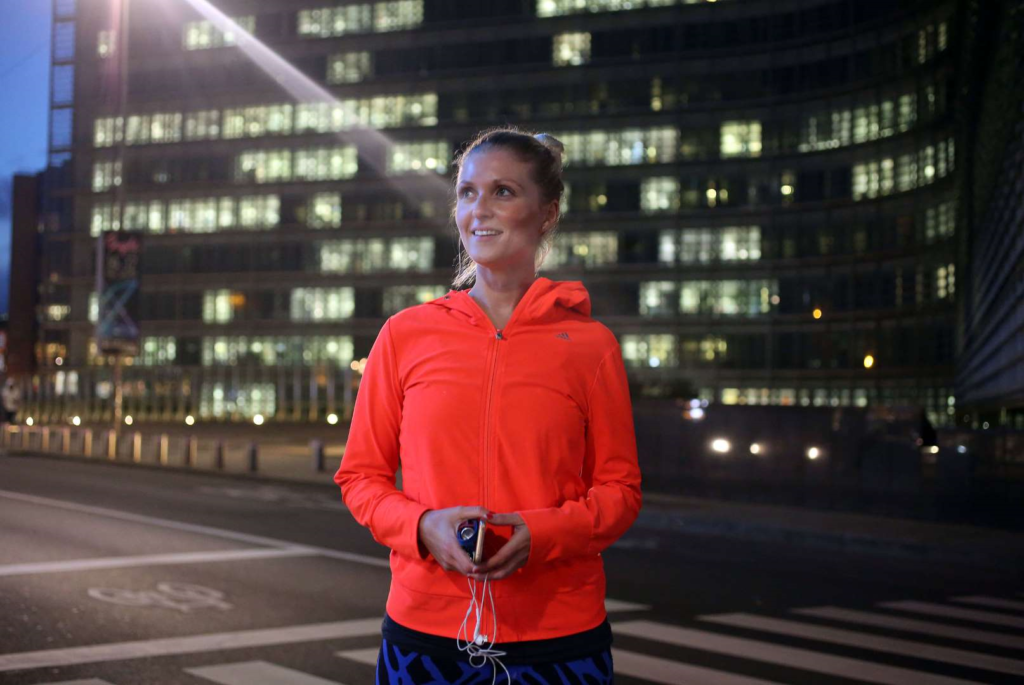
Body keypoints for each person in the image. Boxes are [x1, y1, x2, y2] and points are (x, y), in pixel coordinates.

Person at [335, 128, 642, 684]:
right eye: (468, 192)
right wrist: (422, 526)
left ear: (545, 214)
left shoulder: (592, 347)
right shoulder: (405, 335)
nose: (480, 209)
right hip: (424, 635)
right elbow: (360, 477)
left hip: (558, 639)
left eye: (503, 191)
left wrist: (540, 535)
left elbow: (620, 492)